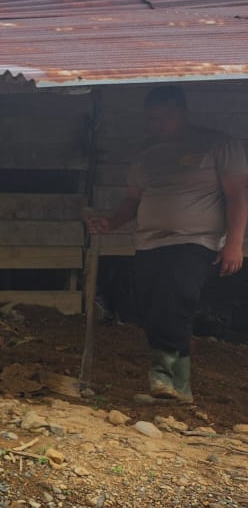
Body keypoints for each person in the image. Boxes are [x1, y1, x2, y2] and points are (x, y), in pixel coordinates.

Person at [89, 85, 247, 402]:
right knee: (151, 306)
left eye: (166, 116)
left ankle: (168, 378)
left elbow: (237, 195)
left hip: (195, 241)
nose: (159, 123)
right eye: (152, 118)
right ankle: (174, 385)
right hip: (149, 242)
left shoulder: (217, 144)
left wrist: (235, 243)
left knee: (176, 301)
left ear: (183, 113)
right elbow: (133, 200)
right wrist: (112, 222)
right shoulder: (146, 154)